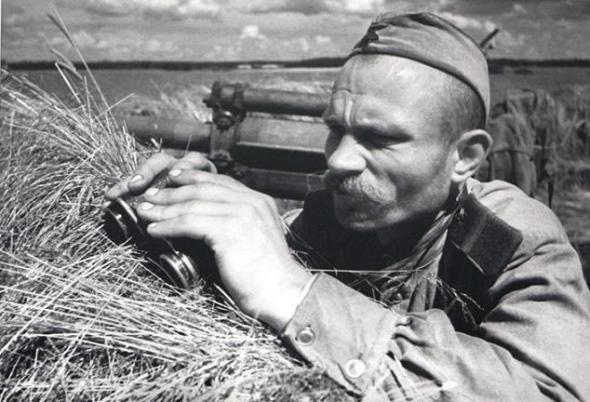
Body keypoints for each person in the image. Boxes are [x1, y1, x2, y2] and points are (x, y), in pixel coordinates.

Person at [105, 12, 590, 402]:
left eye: (379, 138)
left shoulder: (515, 241)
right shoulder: (330, 219)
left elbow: (550, 393)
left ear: (464, 157)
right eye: (335, 129)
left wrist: (295, 294)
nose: (338, 160)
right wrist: (198, 213)